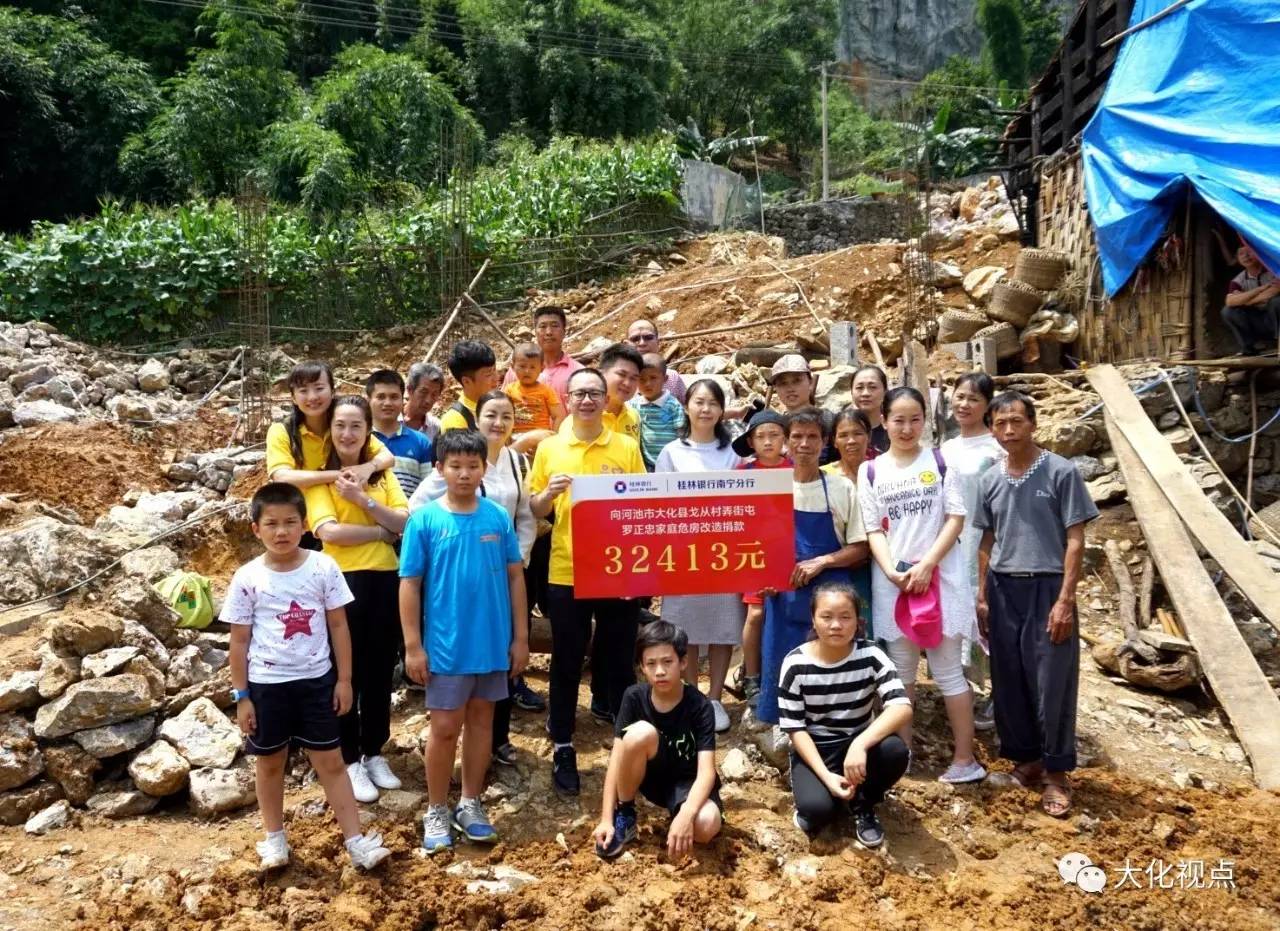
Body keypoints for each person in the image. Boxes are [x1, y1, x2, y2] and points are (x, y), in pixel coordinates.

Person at [226, 483, 390, 871]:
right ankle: (274, 841)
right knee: (269, 763)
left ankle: (356, 841)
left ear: (306, 526)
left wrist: (345, 680)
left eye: (290, 523)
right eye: (271, 524)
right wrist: (242, 695)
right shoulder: (248, 577)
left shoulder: (323, 567)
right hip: (267, 687)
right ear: (256, 529)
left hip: (316, 682)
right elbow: (239, 641)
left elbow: (339, 626)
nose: (281, 532)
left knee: (331, 762)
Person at [400, 430, 528, 852]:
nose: (464, 473)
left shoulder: (495, 517)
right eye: (454, 465)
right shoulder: (425, 519)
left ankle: (470, 803)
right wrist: (413, 646)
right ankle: (436, 807)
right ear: (439, 469)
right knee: (443, 727)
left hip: (492, 642)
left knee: (481, 724)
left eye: (473, 465)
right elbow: (410, 585)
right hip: (446, 646)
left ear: (483, 468)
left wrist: (521, 638)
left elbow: (514, 576)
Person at [974, 392, 1097, 818]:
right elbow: (987, 539)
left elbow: (1076, 539)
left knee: (1053, 682)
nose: (1008, 430)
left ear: (1033, 423)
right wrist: (982, 594)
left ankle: (1057, 773)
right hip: (1003, 588)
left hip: (1048, 589)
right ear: (991, 429)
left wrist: (1066, 599)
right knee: (1009, 679)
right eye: (1000, 423)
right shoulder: (989, 478)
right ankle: (1026, 762)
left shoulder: (1062, 472)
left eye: (1016, 421)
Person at [857, 387, 985, 785]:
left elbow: (956, 518)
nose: (907, 428)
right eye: (898, 419)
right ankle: (903, 758)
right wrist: (894, 571)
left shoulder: (941, 462)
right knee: (901, 674)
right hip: (893, 584)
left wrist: (928, 563)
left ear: (925, 422)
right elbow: (872, 528)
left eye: (915, 419)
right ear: (884, 421)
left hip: (940, 581)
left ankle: (965, 759)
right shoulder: (871, 470)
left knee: (948, 672)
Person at [408, 390, 543, 764]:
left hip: (505, 570)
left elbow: (525, 514)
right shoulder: (452, 471)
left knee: (493, 682)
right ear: (477, 419)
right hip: (455, 594)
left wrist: (521, 555)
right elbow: (419, 510)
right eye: (490, 415)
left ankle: (494, 749)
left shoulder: (517, 462)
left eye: (506, 415)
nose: (498, 423)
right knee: (452, 709)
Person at [529, 367, 646, 796]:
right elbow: (537, 510)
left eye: (595, 393)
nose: (587, 401)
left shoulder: (627, 446)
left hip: (618, 570)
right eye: (579, 393)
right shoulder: (549, 449)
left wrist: (639, 572)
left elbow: (641, 508)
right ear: (567, 399)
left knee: (618, 658)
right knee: (566, 658)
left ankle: (627, 740)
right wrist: (549, 495)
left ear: (605, 397)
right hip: (566, 570)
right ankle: (562, 740)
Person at [304, 396, 409, 803]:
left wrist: (363, 501)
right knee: (342, 671)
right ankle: (348, 757)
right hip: (339, 583)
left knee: (380, 668)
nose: (348, 434)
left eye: (356, 426)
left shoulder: (382, 478)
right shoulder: (320, 478)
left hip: (385, 579)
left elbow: (405, 520)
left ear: (368, 432)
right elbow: (329, 533)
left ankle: (374, 749)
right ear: (330, 429)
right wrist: (381, 532)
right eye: (340, 425)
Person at [757, 409, 868, 748]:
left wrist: (822, 561)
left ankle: (832, 725)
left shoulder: (840, 489)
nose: (804, 444)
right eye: (797, 437)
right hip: (784, 591)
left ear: (824, 444)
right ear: (786, 444)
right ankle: (781, 724)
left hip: (831, 592)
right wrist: (761, 575)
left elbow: (861, 547)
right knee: (781, 653)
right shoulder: (769, 488)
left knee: (829, 659)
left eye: (812, 437)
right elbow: (754, 543)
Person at [779, 583, 911, 845]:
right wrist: (826, 776)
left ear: (858, 621)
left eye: (845, 617)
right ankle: (832, 798)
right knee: (817, 812)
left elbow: (901, 705)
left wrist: (860, 744)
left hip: (857, 746)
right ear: (814, 621)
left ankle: (864, 805)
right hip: (816, 750)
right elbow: (795, 729)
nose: (836, 625)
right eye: (826, 617)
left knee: (896, 751)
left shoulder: (872, 655)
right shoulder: (795, 664)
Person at [654, 379, 745, 733]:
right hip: (684, 555)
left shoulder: (733, 453)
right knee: (686, 629)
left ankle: (716, 697)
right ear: (686, 406)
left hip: (724, 555)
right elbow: (659, 505)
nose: (705, 409)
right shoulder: (671, 453)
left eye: (712, 403)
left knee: (723, 626)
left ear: (722, 410)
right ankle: (691, 695)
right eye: (698, 402)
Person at [593, 621, 722, 860]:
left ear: (683, 662)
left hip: (687, 782)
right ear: (641, 667)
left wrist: (687, 815)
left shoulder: (700, 706)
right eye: (651, 664)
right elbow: (617, 758)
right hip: (649, 778)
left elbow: (706, 772)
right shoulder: (633, 697)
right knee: (640, 732)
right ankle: (626, 814)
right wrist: (606, 819)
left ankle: (678, 815)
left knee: (706, 825)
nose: (659, 671)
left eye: (667, 662)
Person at [939, 373, 1002, 731]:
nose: (964, 404)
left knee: (989, 614)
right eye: (959, 397)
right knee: (957, 614)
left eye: (973, 399)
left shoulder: (996, 450)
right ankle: (960, 691)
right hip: (952, 542)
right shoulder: (946, 448)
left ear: (986, 405)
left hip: (983, 539)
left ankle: (999, 694)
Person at [730, 409, 792, 708]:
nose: (768, 442)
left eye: (774, 435)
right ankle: (752, 676)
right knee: (755, 614)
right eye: (761, 436)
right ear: (751, 442)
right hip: (753, 551)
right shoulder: (742, 474)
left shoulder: (796, 468)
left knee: (787, 612)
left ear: (785, 439)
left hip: (791, 552)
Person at [266, 360, 394, 489]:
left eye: (319, 388)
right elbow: (281, 477)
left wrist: (368, 468)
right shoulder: (282, 431)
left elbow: (387, 456)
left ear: (332, 391)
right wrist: (339, 474)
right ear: (293, 397)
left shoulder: (343, 426)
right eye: (303, 391)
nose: (312, 397)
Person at [821, 407, 875, 631]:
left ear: (869, 436)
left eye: (858, 433)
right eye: (843, 435)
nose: (851, 441)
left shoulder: (881, 471)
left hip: (878, 567)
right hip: (836, 566)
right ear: (834, 441)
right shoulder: (823, 476)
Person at [366, 369, 434, 500]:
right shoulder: (359, 439)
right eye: (380, 397)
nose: (387, 403)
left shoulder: (421, 442)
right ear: (368, 400)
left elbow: (428, 491)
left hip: (409, 517)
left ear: (403, 400)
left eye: (394, 397)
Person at [559, 342, 643, 446]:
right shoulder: (576, 422)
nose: (627, 383)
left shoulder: (633, 417)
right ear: (601, 374)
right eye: (622, 374)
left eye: (634, 378)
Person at [502, 306, 583, 406]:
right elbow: (503, 407)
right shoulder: (517, 370)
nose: (549, 332)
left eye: (554, 325)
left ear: (564, 331)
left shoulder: (578, 372)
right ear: (535, 332)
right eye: (543, 326)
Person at [766, 355, 837, 465]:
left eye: (797, 380)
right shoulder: (774, 426)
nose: (790, 388)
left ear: (810, 382)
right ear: (775, 388)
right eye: (783, 383)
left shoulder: (829, 420)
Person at [505, 342, 566, 455]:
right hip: (515, 438)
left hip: (541, 438)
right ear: (513, 367)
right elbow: (503, 414)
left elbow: (559, 415)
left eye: (533, 367)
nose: (527, 371)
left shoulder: (546, 391)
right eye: (522, 366)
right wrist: (506, 436)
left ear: (542, 368)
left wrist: (553, 439)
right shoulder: (509, 390)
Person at [629, 351, 686, 471]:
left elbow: (682, 433)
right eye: (642, 379)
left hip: (670, 463)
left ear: (665, 379)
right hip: (645, 465)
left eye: (653, 378)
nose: (647, 383)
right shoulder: (633, 405)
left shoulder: (673, 405)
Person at [1222, 244, 1280, 355]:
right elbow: (1230, 302)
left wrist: (1245, 300)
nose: (1246, 256)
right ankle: (1248, 348)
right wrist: (1259, 289)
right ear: (1238, 259)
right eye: (1241, 254)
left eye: (1249, 251)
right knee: (1228, 311)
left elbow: (1273, 292)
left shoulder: (1274, 271)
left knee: (1277, 302)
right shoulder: (1238, 281)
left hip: (1275, 319)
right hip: (1259, 323)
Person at [439, 340, 498, 433]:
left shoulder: (499, 404)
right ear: (466, 381)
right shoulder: (455, 420)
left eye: (495, 370)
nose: (496, 378)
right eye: (488, 374)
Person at [625, 318, 686, 403]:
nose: (642, 343)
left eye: (648, 337)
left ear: (658, 342)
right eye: (635, 339)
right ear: (626, 345)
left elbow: (687, 410)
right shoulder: (621, 382)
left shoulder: (672, 378)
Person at [851, 365, 890, 455]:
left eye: (872, 387)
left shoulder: (893, 429)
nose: (865, 393)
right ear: (851, 392)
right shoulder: (841, 429)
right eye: (859, 388)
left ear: (885, 391)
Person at [403, 362, 445, 442]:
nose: (428, 400)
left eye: (434, 394)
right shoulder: (389, 420)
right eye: (423, 392)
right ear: (410, 390)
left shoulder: (437, 429)